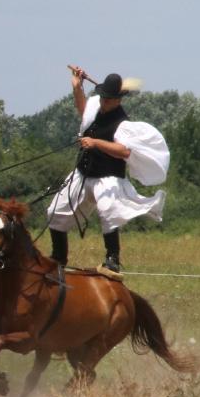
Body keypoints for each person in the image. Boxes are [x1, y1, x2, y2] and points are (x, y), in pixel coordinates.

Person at [46, 66, 170, 279]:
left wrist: (95, 143)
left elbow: (124, 151)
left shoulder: (122, 124)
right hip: (83, 173)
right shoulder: (96, 110)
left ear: (118, 100)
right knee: (55, 211)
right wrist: (77, 87)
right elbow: (83, 110)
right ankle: (59, 257)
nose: (103, 102)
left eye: (108, 99)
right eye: (102, 97)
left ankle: (112, 259)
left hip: (108, 177)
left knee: (109, 212)